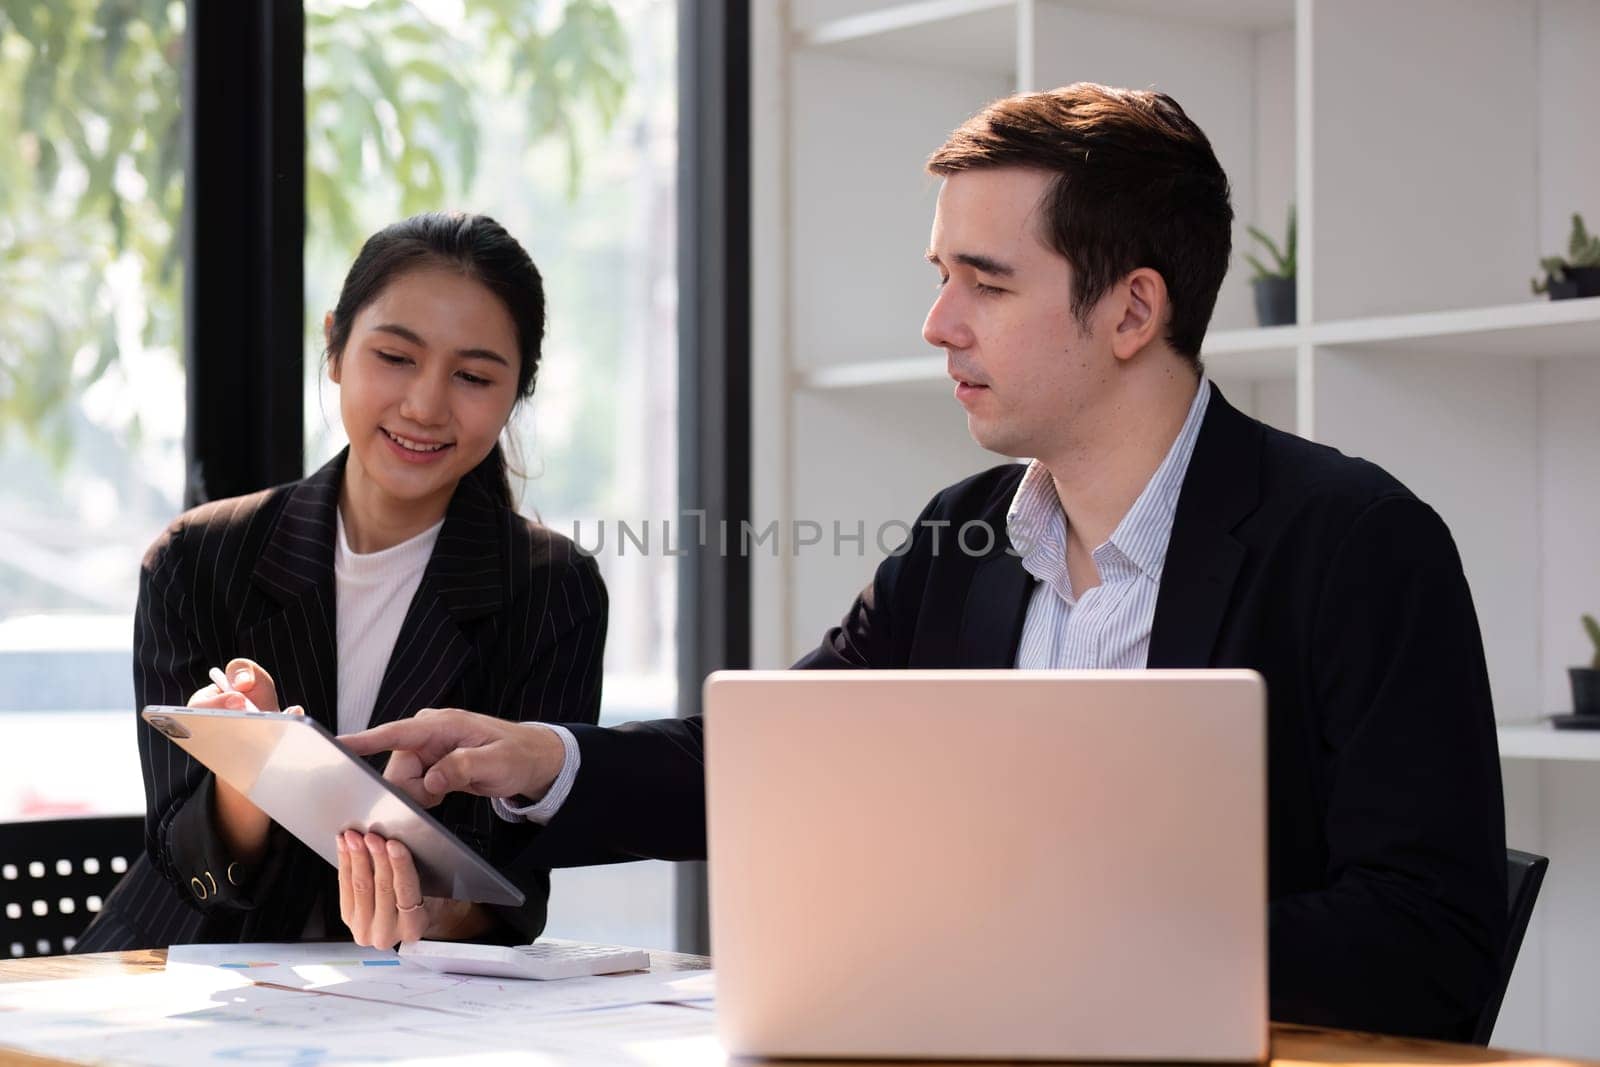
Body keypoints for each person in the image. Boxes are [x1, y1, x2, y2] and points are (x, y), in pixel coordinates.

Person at [343, 85, 1507, 1040]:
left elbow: (1429, 944)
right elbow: (779, 755)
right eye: (940, 274)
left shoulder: (1356, 543)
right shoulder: (965, 538)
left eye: (986, 283)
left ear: (1132, 310)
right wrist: (538, 757)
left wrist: (1079, 940)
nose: (938, 322)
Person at [77, 212, 606, 952]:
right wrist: (248, 768)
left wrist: (428, 918)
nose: (424, 404)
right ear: (334, 344)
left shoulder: (553, 591)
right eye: (395, 356)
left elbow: (515, 885)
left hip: (411, 1005)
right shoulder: (198, 559)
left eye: (474, 376)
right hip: (182, 976)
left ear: (519, 391)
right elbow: (180, 854)